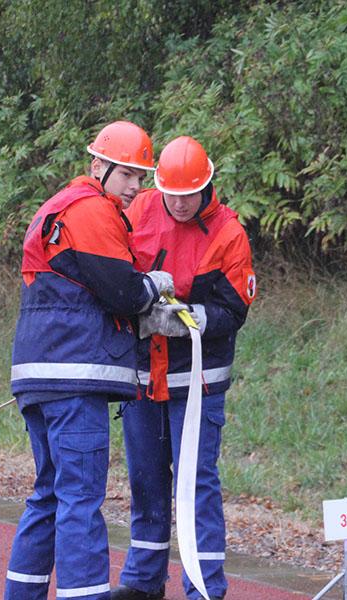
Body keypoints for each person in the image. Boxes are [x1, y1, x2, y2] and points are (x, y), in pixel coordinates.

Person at [4, 121, 175, 600]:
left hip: (39, 375)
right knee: (79, 499)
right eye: (128, 176)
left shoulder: (57, 208)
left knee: (49, 496)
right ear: (98, 166)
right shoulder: (91, 211)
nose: (136, 188)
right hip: (75, 378)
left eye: (142, 177)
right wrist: (154, 286)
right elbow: (122, 291)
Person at [112, 136, 257, 600]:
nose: (178, 204)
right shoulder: (140, 211)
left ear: (206, 187)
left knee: (196, 486)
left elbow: (234, 311)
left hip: (196, 383)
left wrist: (185, 320)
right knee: (146, 481)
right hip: (142, 378)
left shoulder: (229, 234)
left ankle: (204, 587)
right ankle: (142, 581)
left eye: (188, 195)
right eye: (170, 194)